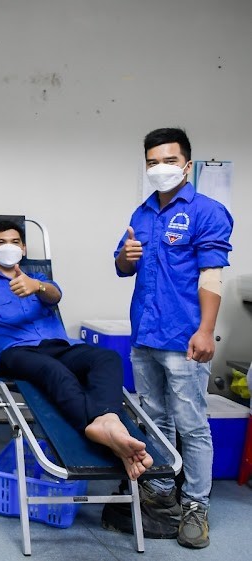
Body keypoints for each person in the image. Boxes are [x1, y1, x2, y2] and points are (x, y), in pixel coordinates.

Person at [0, 220, 153, 480]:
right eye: (1, 242)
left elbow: (55, 295)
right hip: (16, 351)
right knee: (54, 371)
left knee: (107, 357)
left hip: (60, 346)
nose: (9, 246)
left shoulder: (38, 279)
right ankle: (101, 425)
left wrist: (37, 286)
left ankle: (108, 422)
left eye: (15, 242)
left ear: (23, 248)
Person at [115, 127, 233, 549]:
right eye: (152, 162)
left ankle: (196, 505)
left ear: (187, 164)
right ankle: (162, 489)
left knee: (191, 424)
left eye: (168, 160)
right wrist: (124, 257)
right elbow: (124, 266)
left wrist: (205, 330)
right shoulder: (142, 212)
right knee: (155, 418)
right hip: (145, 334)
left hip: (185, 337)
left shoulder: (207, 211)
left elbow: (211, 276)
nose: (159, 168)